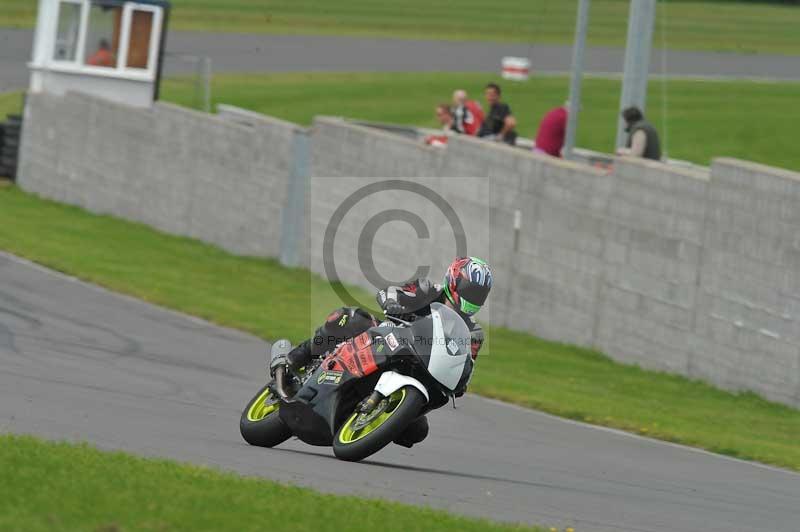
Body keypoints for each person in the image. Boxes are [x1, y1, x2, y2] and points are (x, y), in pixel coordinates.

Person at [272, 257, 493, 448]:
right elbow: (392, 292)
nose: (474, 298)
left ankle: (367, 420)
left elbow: (466, 363)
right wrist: (392, 303)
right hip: (390, 339)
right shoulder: (428, 290)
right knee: (350, 318)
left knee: (418, 431)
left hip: (423, 370)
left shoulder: (473, 333)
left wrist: (460, 381)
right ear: (454, 282)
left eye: (480, 294)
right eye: (471, 290)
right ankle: (295, 359)